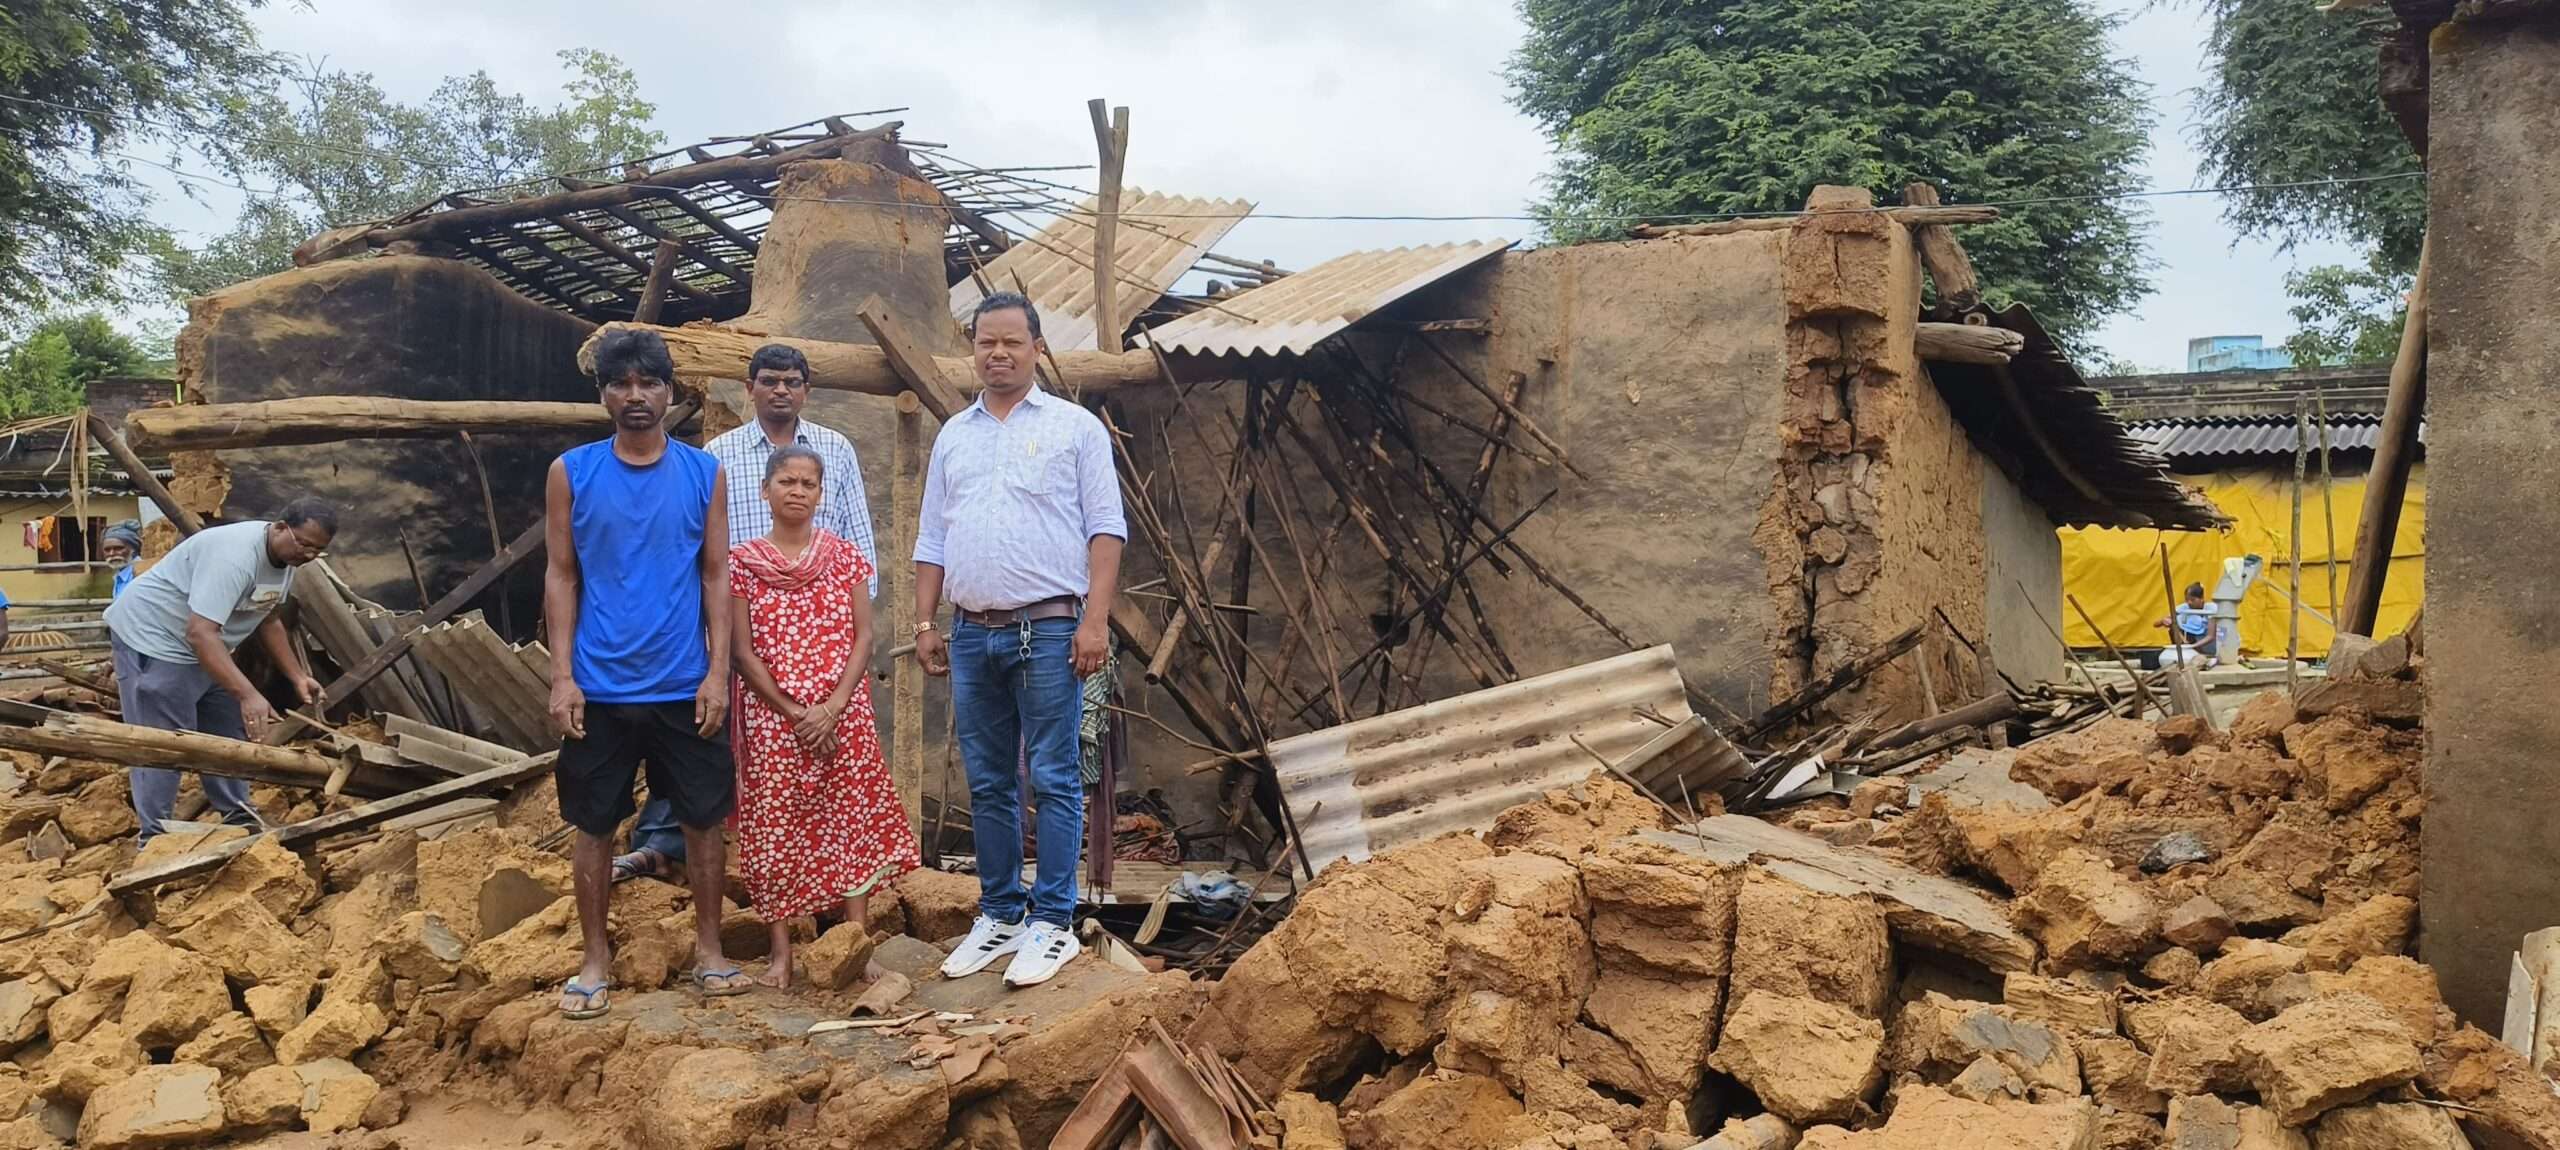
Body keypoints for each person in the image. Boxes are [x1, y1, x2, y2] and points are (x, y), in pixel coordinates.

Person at [914, 291, 1124, 989]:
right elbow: (933, 537)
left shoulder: (1074, 429)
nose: (998, 353)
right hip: (972, 632)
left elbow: (1106, 529)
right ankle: (1001, 913)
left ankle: (1052, 923)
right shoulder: (955, 434)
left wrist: (1095, 620)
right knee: (990, 780)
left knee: (1056, 777)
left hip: (1051, 627)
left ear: (1037, 348)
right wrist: (925, 622)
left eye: (1011, 342)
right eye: (986, 342)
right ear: (972, 350)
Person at [614, 343, 879, 886]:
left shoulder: (836, 449)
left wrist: (841, 626)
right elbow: (699, 541)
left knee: (826, 745)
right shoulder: (721, 453)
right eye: (769, 380)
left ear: (807, 391)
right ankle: (665, 844)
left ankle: (830, 870)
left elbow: (859, 543)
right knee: (704, 731)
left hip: (820, 636)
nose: (781, 390)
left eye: (792, 381)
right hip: (738, 621)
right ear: (749, 388)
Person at [544, 327, 742, 1019]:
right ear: (603, 394)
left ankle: (710, 950)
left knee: (704, 820)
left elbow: (716, 575)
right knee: (594, 823)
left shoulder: (703, 473)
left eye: (648, 383)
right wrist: (562, 676)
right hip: (598, 686)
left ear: (669, 391)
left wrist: (717, 673)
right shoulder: (571, 472)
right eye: (620, 383)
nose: (635, 396)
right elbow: (561, 574)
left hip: (684, 683)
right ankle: (594, 959)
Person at [729, 445, 918, 988]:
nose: (797, 491)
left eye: (808, 484)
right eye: (786, 481)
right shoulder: (742, 564)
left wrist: (832, 708)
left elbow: (864, 637)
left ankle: (856, 947)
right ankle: (781, 955)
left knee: (850, 821)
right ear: (764, 490)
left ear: (820, 494)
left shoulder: (845, 556)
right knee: (774, 826)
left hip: (843, 713)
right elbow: (742, 651)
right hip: (773, 719)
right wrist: (795, 713)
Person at [101, 500, 335, 841]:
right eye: (304, 544)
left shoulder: (284, 559)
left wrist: (297, 676)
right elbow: (200, 633)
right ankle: (154, 838)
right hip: (154, 639)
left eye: (318, 550)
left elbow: (267, 618)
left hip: (205, 644)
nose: (309, 555)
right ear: (280, 527)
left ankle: (239, 816)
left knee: (227, 727)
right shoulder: (234, 558)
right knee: (163, 741)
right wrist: (249, 693)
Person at [2158, 581, 2218, 660]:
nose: (2189, 602)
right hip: (2188, 643)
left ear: (2202, 598)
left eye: (2192, 600)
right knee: (2174, 626)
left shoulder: (2211, 609)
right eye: (2187, 599)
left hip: (2210, 647)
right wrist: (2164, 621)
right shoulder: (2184, 608)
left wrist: (2192, 646)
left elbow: (2211, 636)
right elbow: (2156, 624)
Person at [100, 521, 142, 598]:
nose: (111, 553)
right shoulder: (121, 575)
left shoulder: (141, 574)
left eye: (118, 548)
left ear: (133, 549)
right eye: (107, 550)